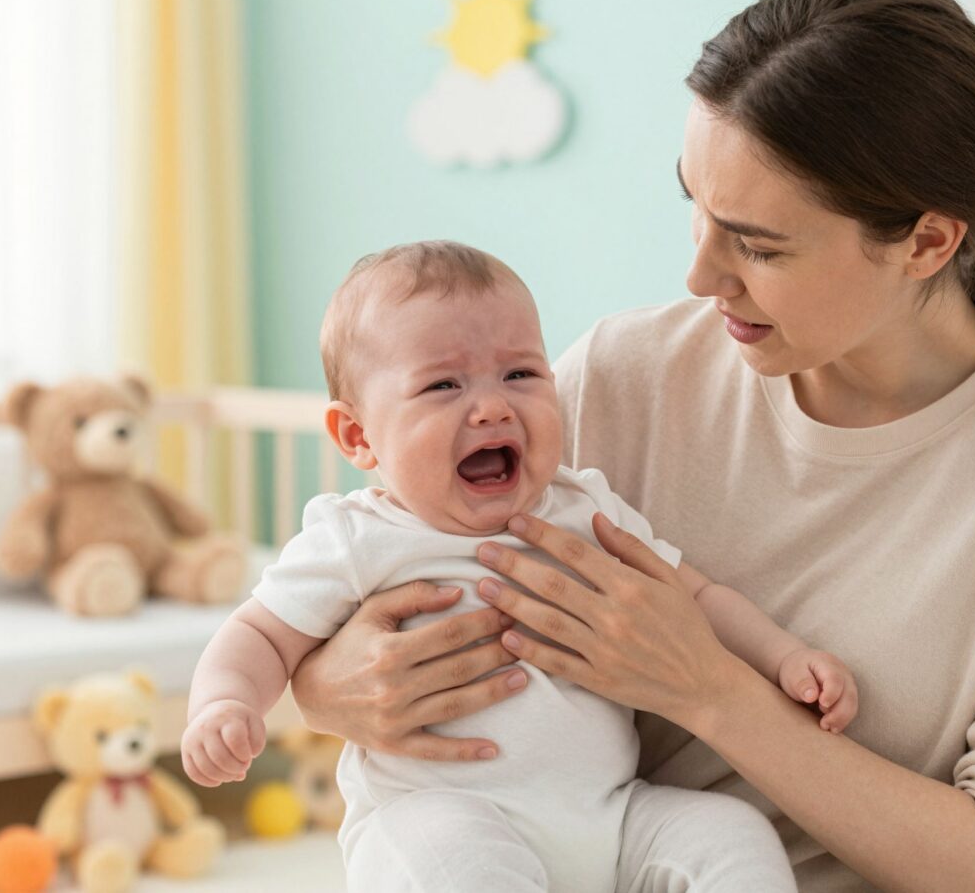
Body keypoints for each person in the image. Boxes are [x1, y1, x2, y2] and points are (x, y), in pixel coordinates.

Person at [289, 0, 975, 890]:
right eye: (698, 208)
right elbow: (383, 576)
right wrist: (324, 684)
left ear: (926, 242)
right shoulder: (622, 373)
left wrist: (710, 691)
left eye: (757, 247)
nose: (698, 274)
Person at [181, 240, 861, 892]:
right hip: (440, 813)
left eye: (521, 374)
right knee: (457, 865)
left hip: (611, 816)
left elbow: (697, 597)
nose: (491, 405)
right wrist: (226, 702)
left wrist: (783, 656)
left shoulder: (583, 505)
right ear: (358, 435)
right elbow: (262, 635)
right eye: (443, 385)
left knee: (729, 835)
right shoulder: (357, 538)